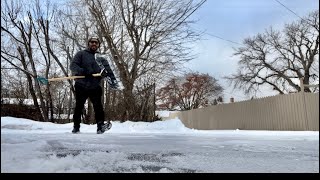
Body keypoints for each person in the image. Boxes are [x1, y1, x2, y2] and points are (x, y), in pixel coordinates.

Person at [70, 36, 116, 134]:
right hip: (81, 84)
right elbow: (73, 66)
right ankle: (76, 127)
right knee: (79, 106)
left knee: (98, 107)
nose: (94, 44)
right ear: (88, 43)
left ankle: (100, 126)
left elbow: (104, 71)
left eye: (96, 42)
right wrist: (83, 71)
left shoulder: (101, 57)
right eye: (92, 42)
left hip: (95, 85)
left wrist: (104, 74)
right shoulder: (81, 54)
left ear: (98, 45)